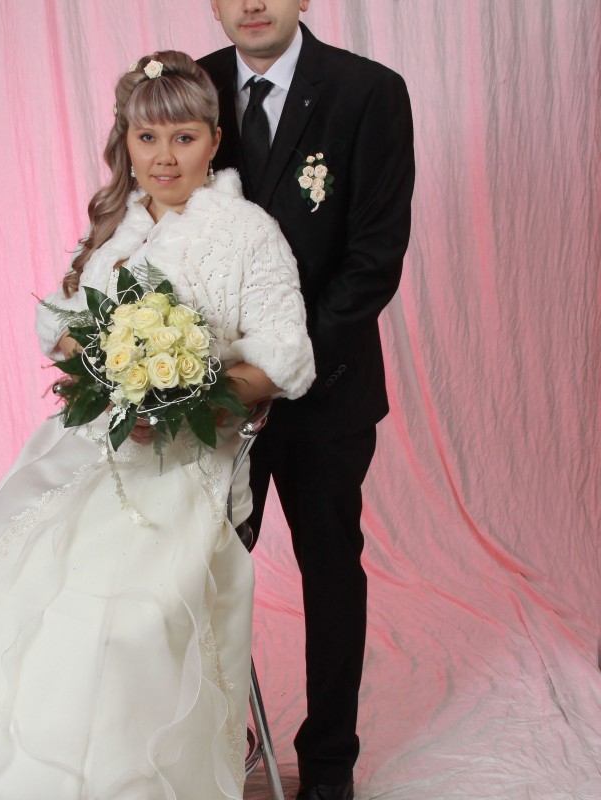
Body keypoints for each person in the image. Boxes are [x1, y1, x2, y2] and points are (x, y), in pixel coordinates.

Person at [0, 50, 315, 800]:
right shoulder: (117, 228)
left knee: (106, 626)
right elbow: (63, 328)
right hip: (86, 452)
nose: (164, 158)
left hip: (184, 464)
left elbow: (284, 359)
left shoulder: (248, 233)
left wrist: (180, 391)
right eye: (147, 138)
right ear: (126, 141)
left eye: (184, 137)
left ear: (214, 141)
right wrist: (115, 363)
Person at [199, 3, 415, 799]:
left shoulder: (369, 92)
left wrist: (281, 366)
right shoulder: (191, 84)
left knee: (329, 569)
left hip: (328, 387)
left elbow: (374, 255)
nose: (252, 2)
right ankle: (215, 742)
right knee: (204, 571)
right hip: (214, 395)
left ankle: (328, 763)